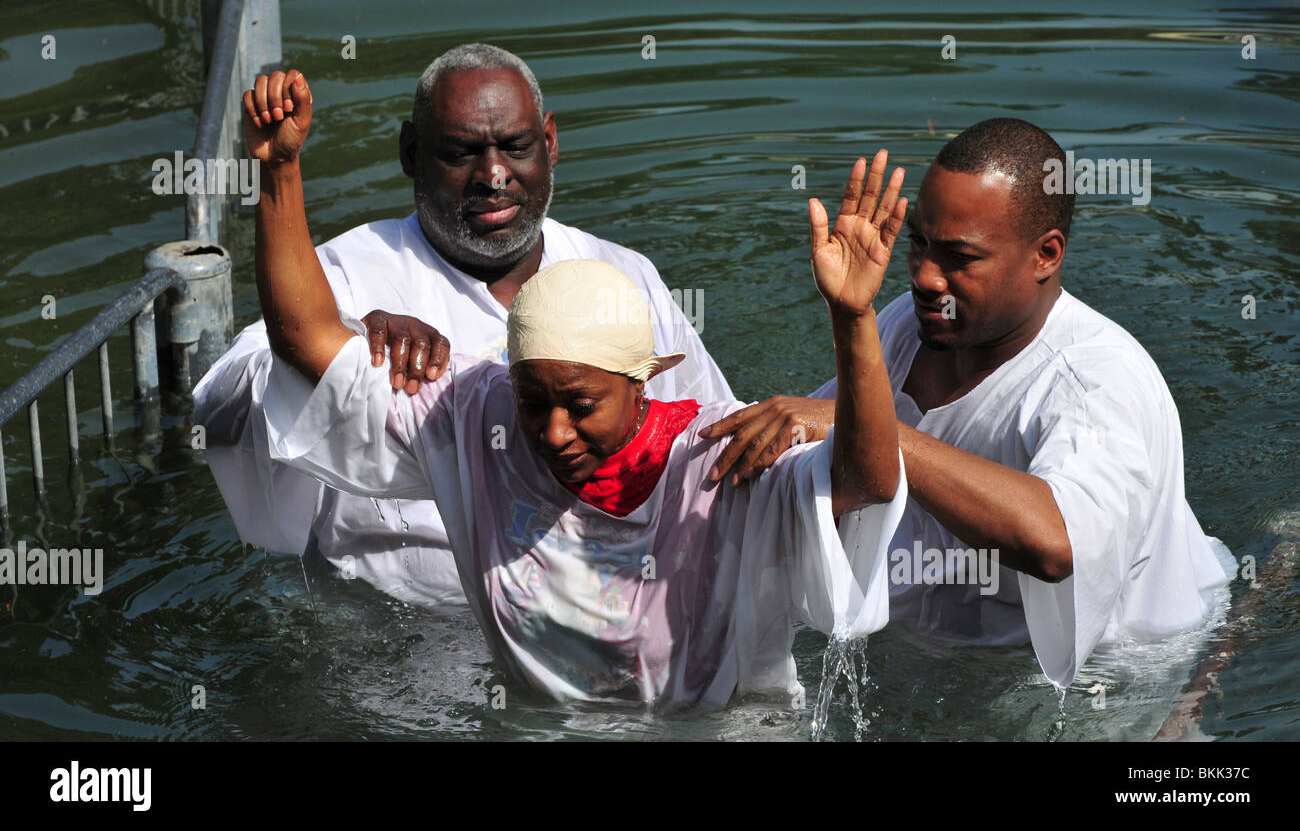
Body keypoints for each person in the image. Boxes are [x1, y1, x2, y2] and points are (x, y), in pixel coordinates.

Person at [249, 69, 909, 707]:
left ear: (643, 383)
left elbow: (870, 481)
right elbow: (306, 338)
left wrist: (853, 319)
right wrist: (279, 171)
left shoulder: (716, 461)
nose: (554, 433)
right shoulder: (476, 416)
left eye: (582, 405)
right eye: (534, 402)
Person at [699, 118, 1236, 688]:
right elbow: (829, 472)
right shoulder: (910, 324)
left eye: (959, 256)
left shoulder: (1094, 382)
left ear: (1045, 255)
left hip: (1114, 675)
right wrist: (850, 316)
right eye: (919, 244)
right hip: (941, 653)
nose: (927, 276)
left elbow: (1056, 542)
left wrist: (871, 428)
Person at [193, 44, 731, 607]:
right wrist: (351, 344)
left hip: (613, 618)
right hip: (394, 643)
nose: (493, 175)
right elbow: (218, 408)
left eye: (516, 148)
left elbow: (713, 442)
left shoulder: (622, 275)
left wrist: (822, 417)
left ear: (549, 143)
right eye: (460, 153)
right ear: (410, 152)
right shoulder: (341, 274)